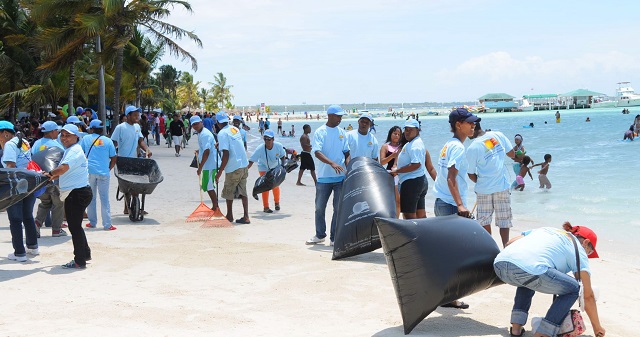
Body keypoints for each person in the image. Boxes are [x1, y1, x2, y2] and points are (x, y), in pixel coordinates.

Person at [493, 224, 605, 337]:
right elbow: (587, 295)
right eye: (589, 252)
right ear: (585, 242)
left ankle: (516, 329)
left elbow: (509, 243)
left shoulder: (546, 230)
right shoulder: (578, 249)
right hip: (529, 271)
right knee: (575, 289)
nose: (587, 256)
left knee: (528, 277)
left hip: (500, 265)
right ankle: (543, 333)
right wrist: (597, 328)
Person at [44, 124, 93, 269]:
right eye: (62, 135)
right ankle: (85, 253)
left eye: (68, 135)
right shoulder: (71, 149)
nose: (64, 138)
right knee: (76, 226)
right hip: (79, 192)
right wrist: (52, 176)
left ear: (76, 137)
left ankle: (79, 261)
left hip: (76, 193)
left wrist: (50, 175)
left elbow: (64, 168)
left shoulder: (75, 150)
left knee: (74, 227)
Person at [305, 105, 350, 246]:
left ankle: (333, 237)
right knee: (319, 208)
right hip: (324, 177)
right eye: (338, 116)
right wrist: (332, 163)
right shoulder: (320, 132)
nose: (340, 119)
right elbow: (317, 152)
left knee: (338, 209)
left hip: (340, 178)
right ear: (330, 116)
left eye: (341, 116)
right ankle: (320, 235)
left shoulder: (342, 133)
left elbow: (347, 153)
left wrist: (349, 168)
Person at [466, 122, 515, 247]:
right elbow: (512, 154)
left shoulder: (472, 147)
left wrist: (482, 181)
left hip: (483, 190)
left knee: (483, 221)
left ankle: (490, 249)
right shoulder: (498, 135)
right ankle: (506, 248)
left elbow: (470, 174)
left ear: (473, 128)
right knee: (504, 221)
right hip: (502, 187)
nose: (466, 134)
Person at [0, 121, 39, 262]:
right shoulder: (23, 142)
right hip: (28, 182)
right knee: (27, 215)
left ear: (5, 133)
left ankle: (19, 253)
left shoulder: (10, 145)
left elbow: (10, 168)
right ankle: (33, 246)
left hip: (16, 185)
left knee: (15, 219)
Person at [111, 105, 152, 214]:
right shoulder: (120, 127)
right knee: (126, 185)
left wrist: (147, 149)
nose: (137, 117)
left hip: (134, 160)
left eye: (138, 115)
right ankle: (127, 207)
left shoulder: (137, 127)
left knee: (136, 184)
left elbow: (140, 141)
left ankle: (135, 207)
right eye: (134, 115)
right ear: (128, 116)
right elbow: (113, 142)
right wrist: (110, 156)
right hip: (122, 160)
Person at [31, 121, 67, 237]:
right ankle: (56, 230)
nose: (58, 133)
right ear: (52, 132)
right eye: (57, 130)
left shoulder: (36, 143)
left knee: (45, 202)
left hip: (39, 180)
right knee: (58, 203)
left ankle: (36, 226)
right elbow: (62, 162)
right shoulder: (57, 145)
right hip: (53, 179)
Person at [214, 112, 250, 224]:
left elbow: (226, 154)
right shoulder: (234, 129)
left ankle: (229, 215)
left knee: (228, 191)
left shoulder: (222, 133)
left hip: (233, 167)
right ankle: (246, 216)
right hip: (244, 164)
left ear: (218, 122)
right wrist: (220, 144)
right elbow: (233, 144)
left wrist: (219, 172)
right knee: (243, 191)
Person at [81, 120, 117, 230]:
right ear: (102, 129)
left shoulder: (85, 139)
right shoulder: (108, 141)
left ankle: (92, 222)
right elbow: (114, 157)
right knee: (104, 199)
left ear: (91, 128)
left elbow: (81, 154)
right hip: (104, 173)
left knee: (91, 198)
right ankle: (107, 224)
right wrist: (108, 169)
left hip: (89, 172)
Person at [389, 120, 428, 219]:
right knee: (420, 215)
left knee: (408, 215)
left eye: (411, 129)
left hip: (412, 182)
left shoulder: (415, 145)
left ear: (418, 130)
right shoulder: (411, 143)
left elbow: (416, 165)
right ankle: (425, 234)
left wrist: (397, 171)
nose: (407, 132)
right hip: (417, 181)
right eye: (406, 129)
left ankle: (414, 234)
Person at [248, 130, 286, 213]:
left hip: (275, 167)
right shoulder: (260, 149)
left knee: (275, 185)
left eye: (269, 139)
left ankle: (277, 203)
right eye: (265, 139)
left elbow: (283, 156)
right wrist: (244, 170)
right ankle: (266, 207)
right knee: (265, 187)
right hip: (263, 167)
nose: (267, 141)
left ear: (273, 139)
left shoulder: (278, 146)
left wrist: (283, 167)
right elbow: (251, 161)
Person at [190, 115, 221, 211]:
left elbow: (207, 152)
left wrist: (200, 168)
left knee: (209, 186)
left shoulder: (205, 134)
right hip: (207, 164)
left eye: (197, 124)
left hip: (211, 164)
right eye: (193, 125)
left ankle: (216, 207)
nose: (195, 126)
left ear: (201, 123)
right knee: (207, 186)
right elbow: (205, 148)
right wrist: (199, 151)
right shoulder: (200, 133)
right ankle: (215, 206)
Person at [379, 126, 402, 218]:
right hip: (388, 174)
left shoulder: (402, 147)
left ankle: (396, 219)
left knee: (398, 199)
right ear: (390, 134)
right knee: (388, 199)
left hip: (399, 173)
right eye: (395, 133)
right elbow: (382, 162)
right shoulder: (385, 146)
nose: (396, 136)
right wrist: (392, 156)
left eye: (399, 134)